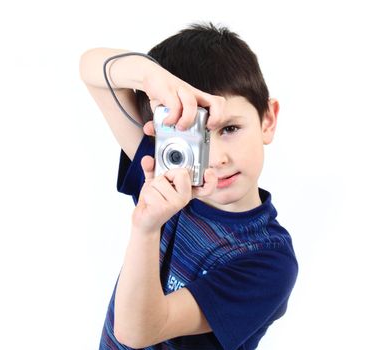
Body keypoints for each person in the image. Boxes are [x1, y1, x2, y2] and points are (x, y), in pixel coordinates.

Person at [79, 22, 298, 350]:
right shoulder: (168, 176)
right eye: (196, 139)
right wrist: (150, 77)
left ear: (268, 120)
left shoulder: (268, 260)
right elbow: (91, 70)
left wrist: (147, 228)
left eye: (230, 128)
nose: (216, 159)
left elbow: (137, 331)